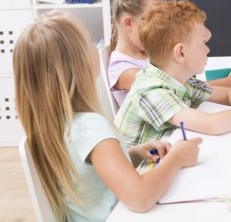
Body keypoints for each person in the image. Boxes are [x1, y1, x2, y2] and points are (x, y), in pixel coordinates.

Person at [14, 12, 202, 221]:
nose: (96, 46)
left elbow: (88, 176)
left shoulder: (55, 124)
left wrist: (132, 154)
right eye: (89, 42)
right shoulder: (90, 127)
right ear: (77, 64)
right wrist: (178, 157)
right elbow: (140, 198)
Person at [115, 0, 231, 147]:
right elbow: (213, 124)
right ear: (181, 53)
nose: (208, 49)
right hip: (143, 173)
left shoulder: (178, 78)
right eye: (203, 42)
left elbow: (229, 92)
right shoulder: (151, 91)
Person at [109, 0, 231, 109]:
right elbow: (178, 88)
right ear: (128, 24)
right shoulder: (123, 70)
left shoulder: (148, 53)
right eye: (151, 21)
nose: (162, 27)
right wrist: (229, 83)